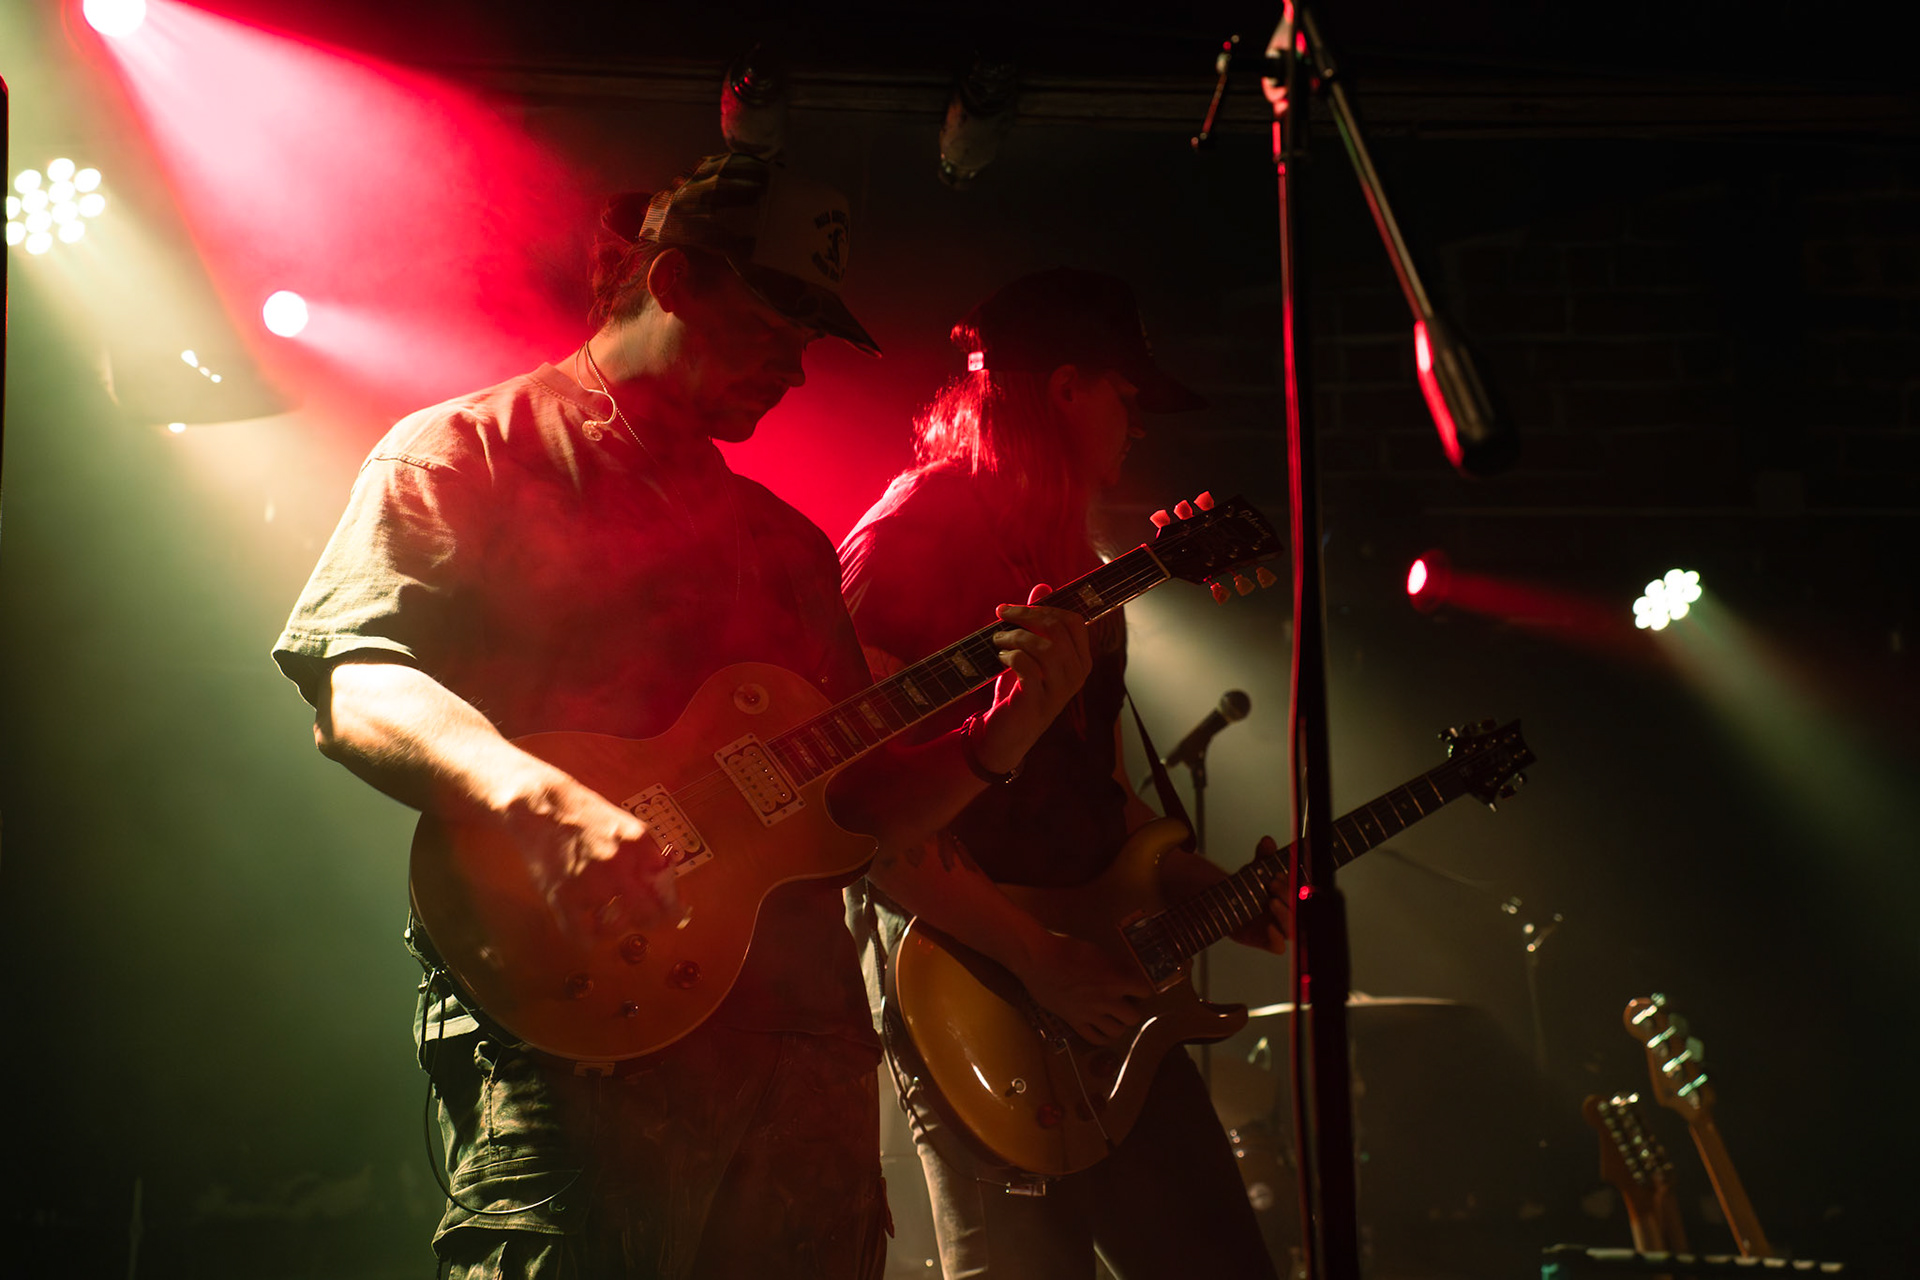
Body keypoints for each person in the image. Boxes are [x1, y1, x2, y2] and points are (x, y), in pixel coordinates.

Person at [271, 154, 1094, 1280]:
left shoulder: (788, 542)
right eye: (771, 327)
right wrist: (542, 803)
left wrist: (998, 736)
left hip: (801, 1057)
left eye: (807, 340)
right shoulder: (471, 446)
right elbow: (355, 679)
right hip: (579, 1032)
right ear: (672, 282)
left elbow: (857, 810)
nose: (793, 368)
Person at [839, 268, 1289, 1279]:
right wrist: (1038, 957)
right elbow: (858, 812)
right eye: (1127, 395)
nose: (1140, 425)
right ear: (1068, 389)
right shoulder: (906, 540)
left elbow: (1100, 798)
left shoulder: (1084, 569)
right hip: (973, 982)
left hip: (1106, 992)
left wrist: (1195, 882)